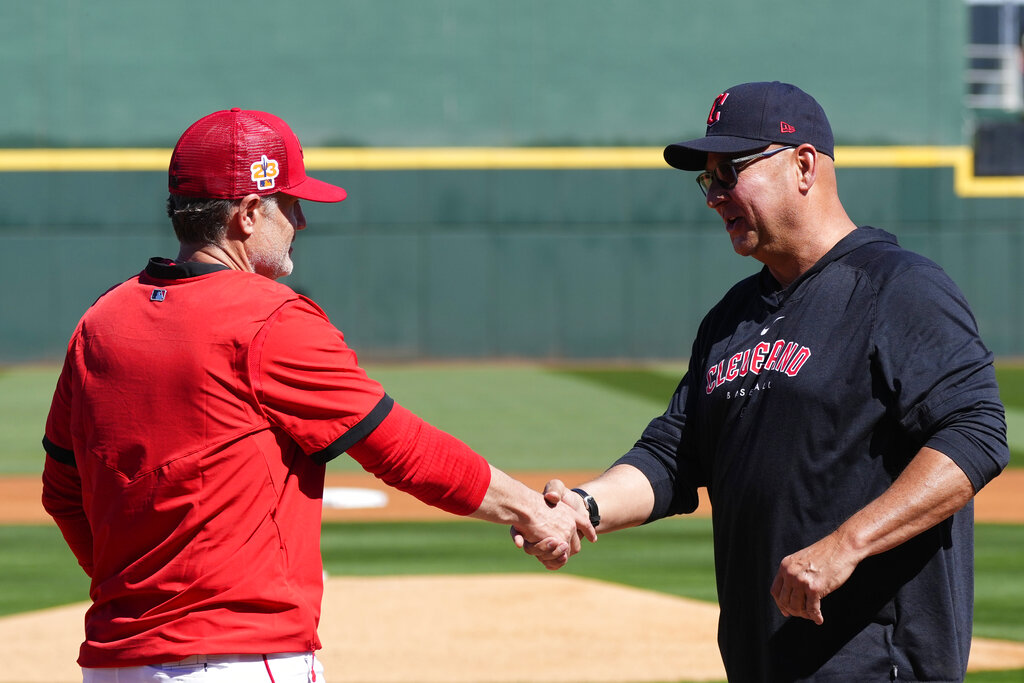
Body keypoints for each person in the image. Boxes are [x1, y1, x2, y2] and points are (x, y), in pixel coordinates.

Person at [41, 108, 596, 683]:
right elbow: (403, 449)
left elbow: (62, 492)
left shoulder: (99, 322)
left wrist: (140, 596)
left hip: (114, 665)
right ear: (249, 213)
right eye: (289, 203)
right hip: (239, 660)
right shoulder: (269, 319)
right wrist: (533, 512)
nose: (302, 219)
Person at [519, 82, 1008, 681]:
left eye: (730, 173)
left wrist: (846, 543)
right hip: (763, 661)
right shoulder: (733, 316)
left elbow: (977, 433)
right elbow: (674, 455)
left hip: (874, 662)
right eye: (708, 180)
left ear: (803, 165)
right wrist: (583, 507)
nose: (714, 196)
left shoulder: (898, 288)